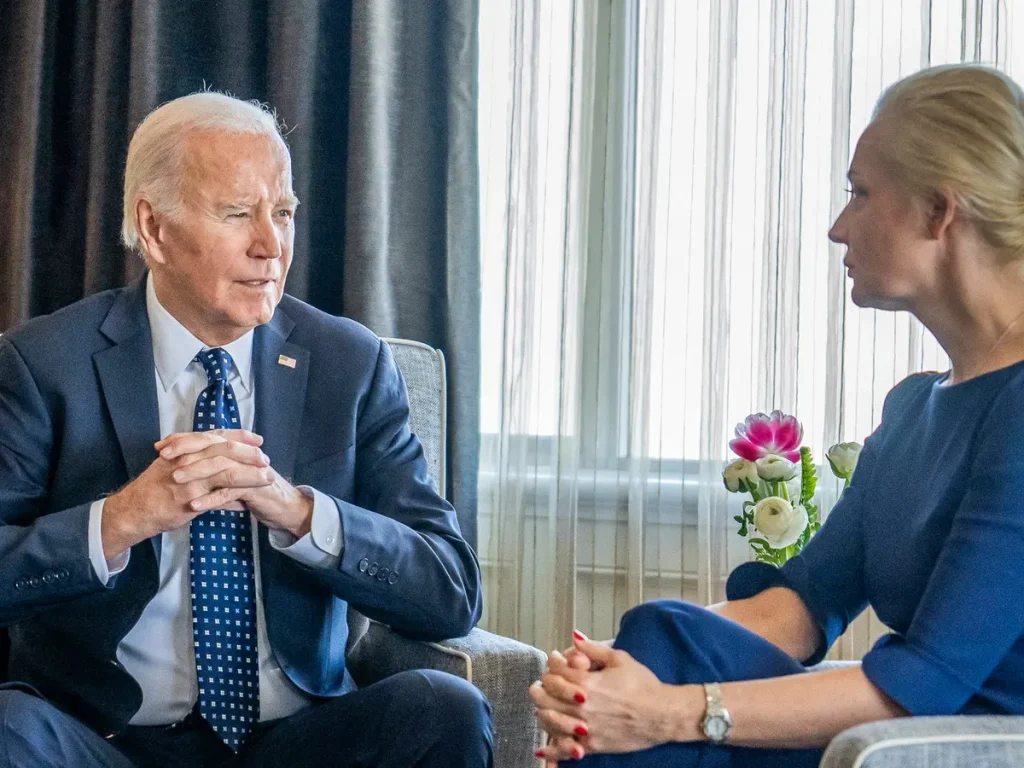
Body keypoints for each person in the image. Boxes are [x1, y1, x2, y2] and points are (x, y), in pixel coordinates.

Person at [531, 63, 1024, 766]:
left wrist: (667, 710)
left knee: (662, 708)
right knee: (664, 638)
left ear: (940, 212)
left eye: (860, 194)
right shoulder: (916, 407)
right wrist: (615, 681)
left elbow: (929, 683)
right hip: (891, 733)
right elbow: (800, 609)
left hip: (956, 746)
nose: (836, 227)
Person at [0, 92, 492, 767]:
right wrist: (116, 521)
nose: (271, 245)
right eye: (238, 214)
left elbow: (452, 590)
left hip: (297, 742)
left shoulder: (350, 363)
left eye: (283, 213)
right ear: (155, 229)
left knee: (445, 709)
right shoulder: (44, 364)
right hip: (105, 740)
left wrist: (302, 516)